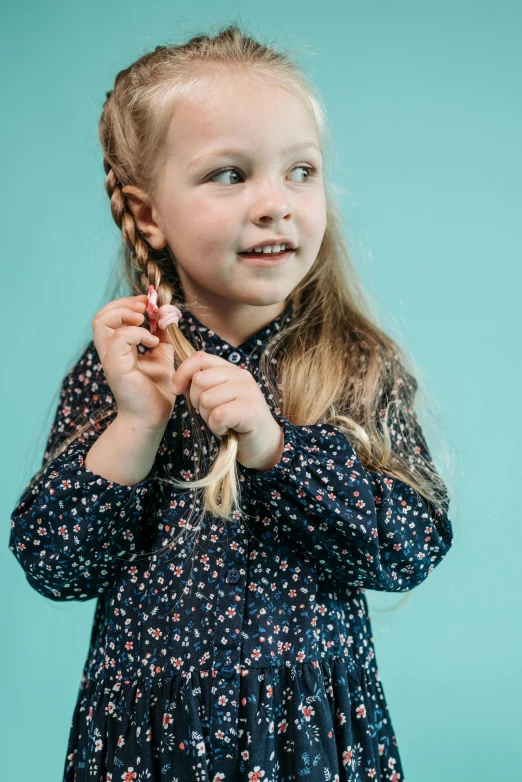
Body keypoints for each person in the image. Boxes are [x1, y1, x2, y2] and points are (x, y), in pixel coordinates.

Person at [9, 23, 455, 782]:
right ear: (149, 214)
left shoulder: (352, 363)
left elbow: (411, 545)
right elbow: (56, 564)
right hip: (152, 742)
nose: (275, 204)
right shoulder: (123, 369)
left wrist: (275, 449)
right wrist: (134, 425)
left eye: (301, 172)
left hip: (309, 737)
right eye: (229, 175)